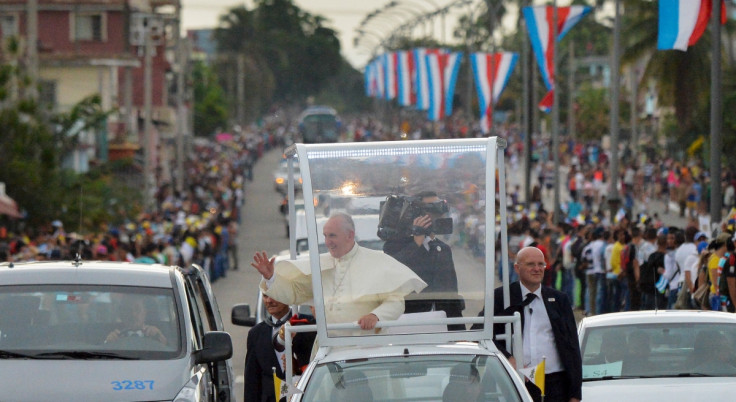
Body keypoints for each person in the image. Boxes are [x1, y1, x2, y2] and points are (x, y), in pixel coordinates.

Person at [251, 212, 426, 333]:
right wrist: (271, 277)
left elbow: (396, 303)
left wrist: (375, 316)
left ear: (350, 235)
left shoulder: (378, 262)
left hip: (365, 345)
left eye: (332, 236)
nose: (327, 242)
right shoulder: (321, 264)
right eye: (325, 236)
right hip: (329, 347)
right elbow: (294, 293)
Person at [472, 247, 582, 402]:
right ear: (517, 268)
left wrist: (575, 393)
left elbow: (572, 346)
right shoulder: (502, 297)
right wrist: (507, 357)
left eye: (541, 264)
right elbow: (479, 332)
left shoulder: (559, 300)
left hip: (555, 384)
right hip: (514, 382)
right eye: (531, 264)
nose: (537, 269)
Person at [383, 191, 465, 331]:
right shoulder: (395, 245)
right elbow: (394, 271)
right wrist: (416, 242)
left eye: (439, 209)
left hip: (443, 324)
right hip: (410, 324)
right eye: (431, 209)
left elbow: (450, 293)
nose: (437, 215)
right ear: (417, 214)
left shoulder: (443, 249)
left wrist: (459, 331)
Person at [244, 294, 316, 402]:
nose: (269, 301)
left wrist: (297, 368)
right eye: (265, 296)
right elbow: (252, 382)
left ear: (287, 295)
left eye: (274, 295)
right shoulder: (256, 334)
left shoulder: (308, 326)